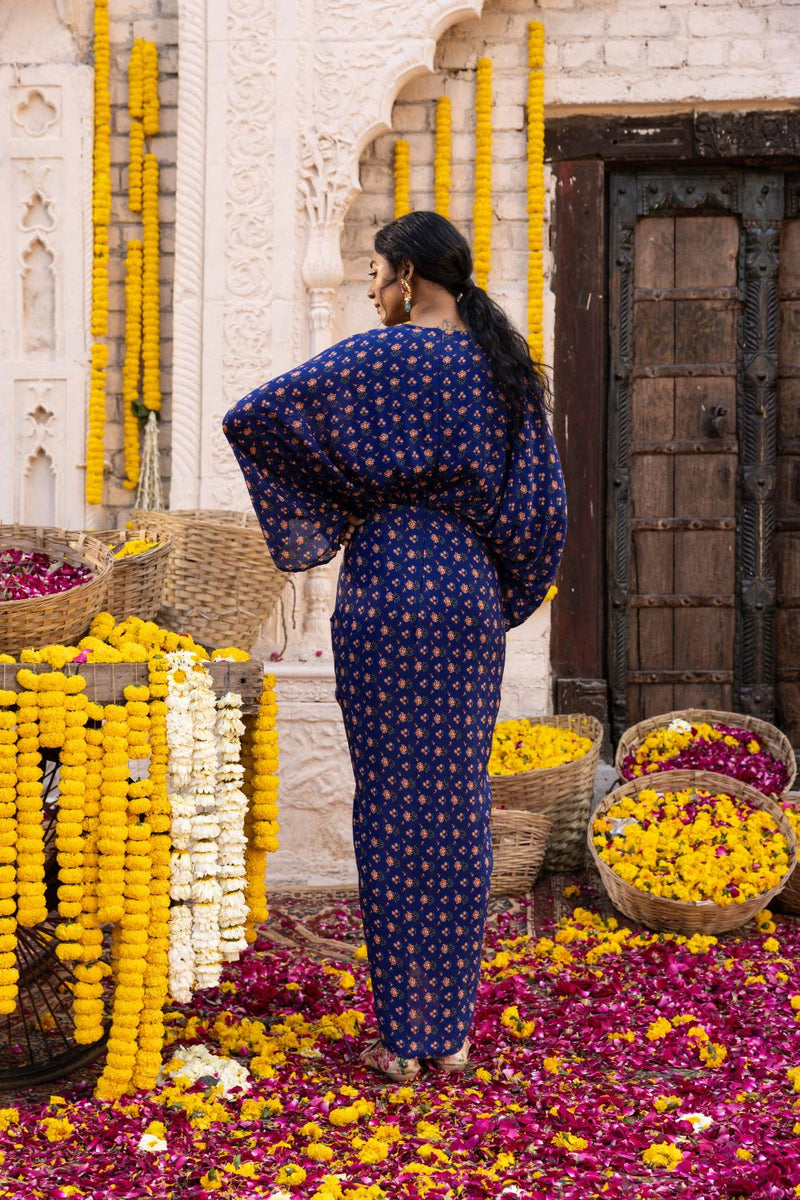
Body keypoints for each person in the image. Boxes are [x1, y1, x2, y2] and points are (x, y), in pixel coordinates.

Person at [223, 210, 566, 1082]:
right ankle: (447, 1032)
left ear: (410, 277)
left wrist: (343, 504)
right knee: (453, 809)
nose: (370, 290)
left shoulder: (372, 357)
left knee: (389, 806)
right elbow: (541, 508)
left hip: (384, 587)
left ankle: (401, 1035)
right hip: (461, 596)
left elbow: (253, 417)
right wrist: (497, 594)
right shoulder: (502, 369)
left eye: (376, 273)